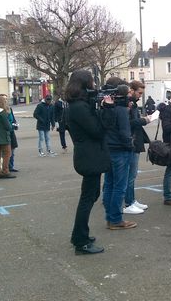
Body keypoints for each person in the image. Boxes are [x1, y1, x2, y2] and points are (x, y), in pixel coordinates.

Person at [66, 69, 115, 255]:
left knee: (91, 195)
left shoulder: (79, 104)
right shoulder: (79, 107)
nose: (94, 85)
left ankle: (79, 235)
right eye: (92, 82)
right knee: (87, 199)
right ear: (85, 84)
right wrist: (107, 109)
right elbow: (97, 130)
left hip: (89, 155)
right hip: (89, 157)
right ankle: (81, 240)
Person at [103, 82, 137, 230]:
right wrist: (130, 145)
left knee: (109, 184)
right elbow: (124, 132)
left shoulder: (107, 108)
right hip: (121, 150)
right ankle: (116, 219)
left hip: (109, 149)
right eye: (129, 92)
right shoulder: (122, 110)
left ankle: (110, 217)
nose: (131, 94)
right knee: (120, 186)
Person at [123, 80, 151, 215]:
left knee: (132, 174)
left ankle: (131, 200)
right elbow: (128, 123)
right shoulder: (128, 104)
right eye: (139, 93)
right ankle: (129, 202)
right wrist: (144, 120)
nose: (140, 95)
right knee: (130, 174)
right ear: (132, 90)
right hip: (132, 141)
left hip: (135, 140)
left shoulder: (132, 104)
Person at [0, 94, 20, 173]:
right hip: (5, 132)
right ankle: (5, 167)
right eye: (4, 99)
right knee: (5, 151)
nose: (6, 100)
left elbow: (13, 119)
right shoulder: (0, 110)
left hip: (11, 132)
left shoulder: (10, 108)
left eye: (6, 99)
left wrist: (15, 124)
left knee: (13, 149)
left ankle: (11, 166)